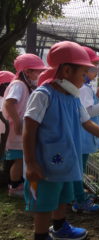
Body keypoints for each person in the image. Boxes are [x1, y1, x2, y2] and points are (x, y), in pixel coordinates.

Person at [23, 41, 99, 240]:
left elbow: (87, 123)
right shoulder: (43, 95)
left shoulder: (73, 98)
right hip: (44, 162)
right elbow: (29, 127)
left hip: (66, 160)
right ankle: (41, 235)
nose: (85, 77)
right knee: (45, 200)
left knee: (63, 193)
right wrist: (30, 162)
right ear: (67, 70)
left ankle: (60, 226)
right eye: (83, 73)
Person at [72, 46, 99, 213]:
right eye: (94, 66)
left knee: (78, 166)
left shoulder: (84, 86)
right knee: (79, 168)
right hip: (83, 133)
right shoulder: (83, 88)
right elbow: (87, 113)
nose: (96, 70)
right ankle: (79, 200)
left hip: (80, 133)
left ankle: (76, 194)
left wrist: (97, 97)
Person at [2, 55, 46, 197]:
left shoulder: (25, 85)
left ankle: (17, 184)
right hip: (17, 129)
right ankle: (15, 187)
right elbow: (9, 103)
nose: (40, 74)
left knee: (20, 158)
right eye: (37, 71)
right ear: (27, 72)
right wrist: (17, 121)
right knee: (20, 158)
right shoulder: (18, 85)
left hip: (19, 128)